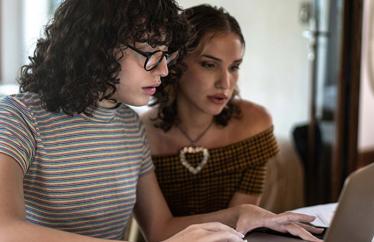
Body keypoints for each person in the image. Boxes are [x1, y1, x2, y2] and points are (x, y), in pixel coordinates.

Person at [0, 1, 322, 242]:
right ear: (98, 46)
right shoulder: (19, 117)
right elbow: (6, 229)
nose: (164, 70)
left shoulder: (128, 126)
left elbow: (160, 229)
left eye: (165, 55)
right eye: (150, 53)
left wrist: (241, 215)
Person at [142, 4, 276, 216]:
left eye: (234, 67)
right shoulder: (139, 134)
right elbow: (157, 232)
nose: (225, 83)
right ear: (175, 63)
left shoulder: (255, 125)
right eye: (209, 64)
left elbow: (240, 227)